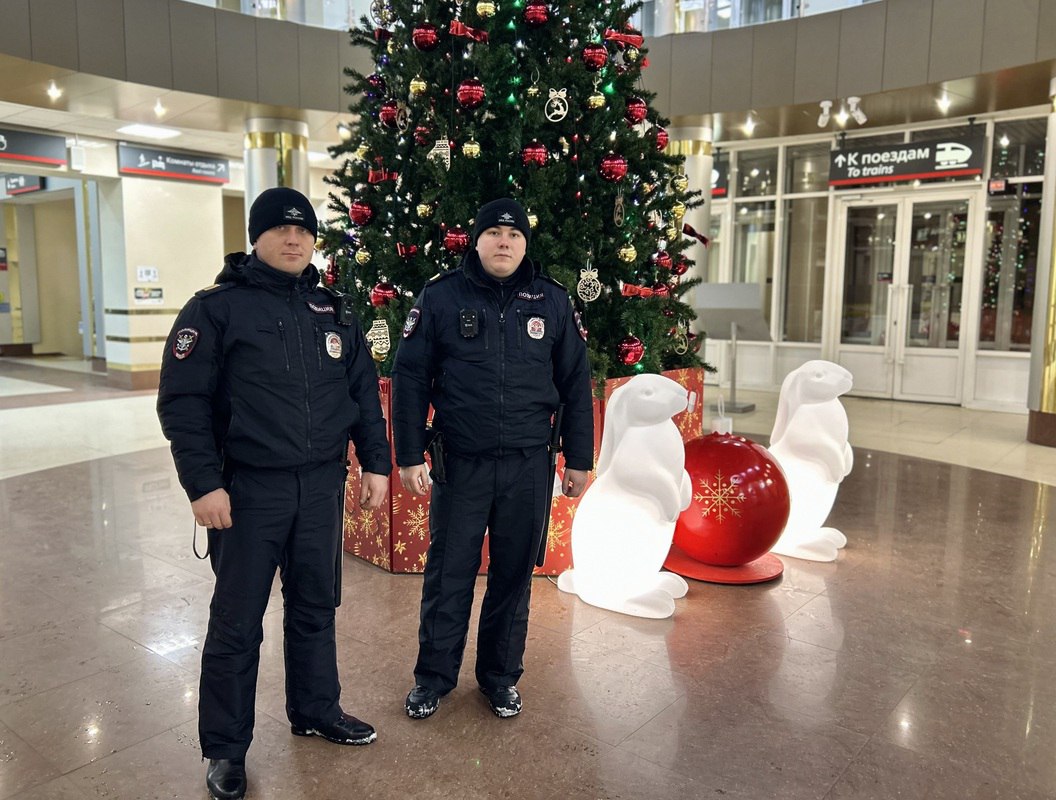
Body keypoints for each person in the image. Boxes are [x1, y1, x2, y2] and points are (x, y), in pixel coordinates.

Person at [157, 187, 391, 800]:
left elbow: (363, 393)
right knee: (237, 622)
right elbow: (184, 403)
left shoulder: (334, 309)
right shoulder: (216, 310)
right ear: (256, 237)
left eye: (304, 230)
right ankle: (225, 750)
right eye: (280, 230)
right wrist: (203, 484)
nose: (294, 239)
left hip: (319, 488)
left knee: (316, 608)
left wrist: (376, 464)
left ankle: (316, 708)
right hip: (247, 492)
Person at [392, 197, 594, 720]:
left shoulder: (550, 301)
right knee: (448, 574)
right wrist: (409, 452)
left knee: (513, 577)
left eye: (515, 235)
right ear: (476, 240)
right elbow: (411, 377)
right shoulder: (440, 297)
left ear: (525, 244)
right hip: (461, 463)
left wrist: (579, 456)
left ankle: (500, 677)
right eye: (494, 233)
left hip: (528, 464)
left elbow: (575, 382)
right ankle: (433, 677)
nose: (504, 242)